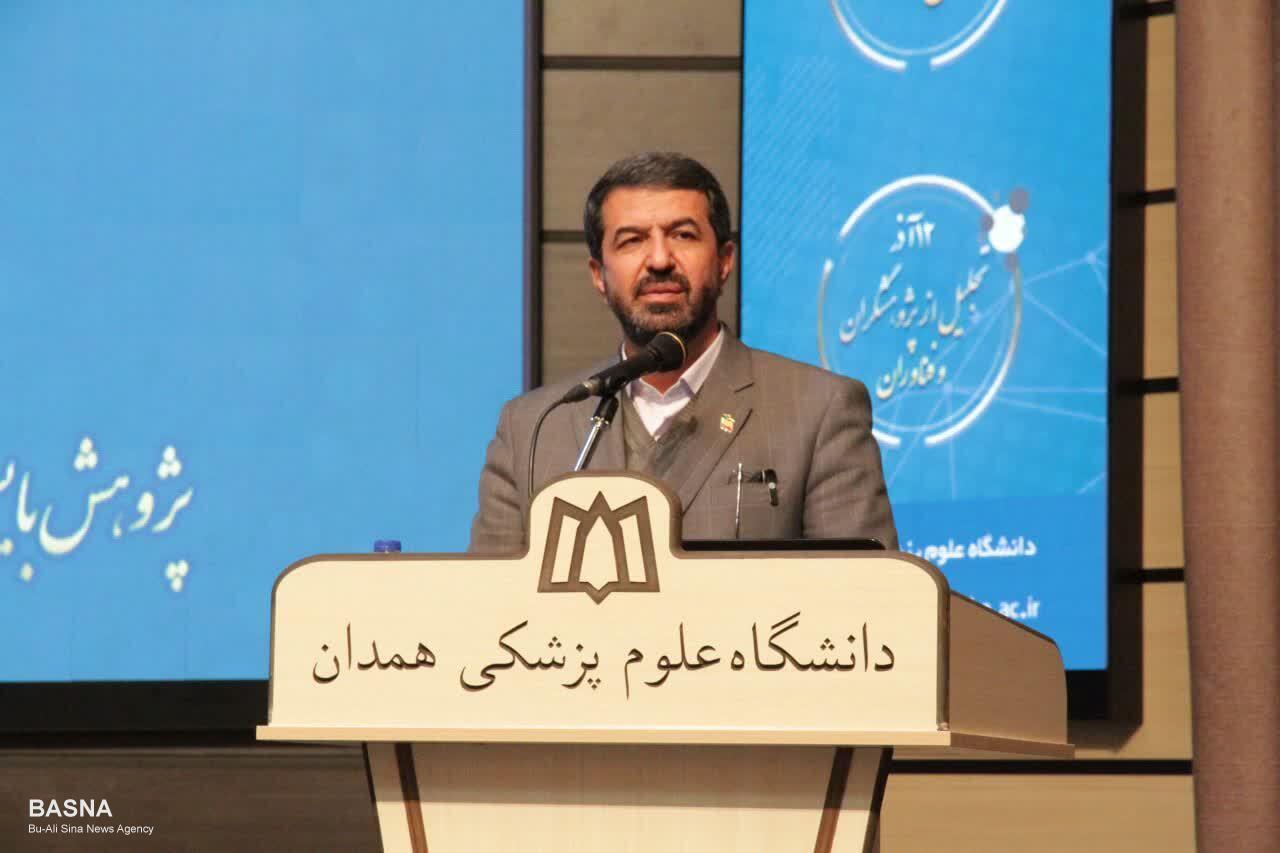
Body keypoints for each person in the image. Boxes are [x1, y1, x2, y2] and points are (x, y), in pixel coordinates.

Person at [468, 152, 896, 553]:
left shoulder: (818, 411)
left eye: (683, 235)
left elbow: (865, 596)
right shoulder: (534, 430)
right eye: (632, 240)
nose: (659, 260)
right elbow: (487, 600)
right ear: (599, 275)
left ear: (725, 260)